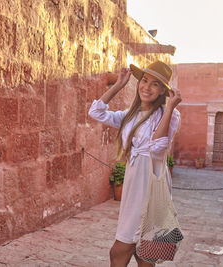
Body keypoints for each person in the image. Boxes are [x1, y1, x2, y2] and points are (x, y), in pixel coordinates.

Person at [88, 61, 182, 267]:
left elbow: (157, 148)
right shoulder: (128, 115)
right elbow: (96, 113)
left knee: (122, 251)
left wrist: (169, 108)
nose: (146, 87)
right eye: (144, 81)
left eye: (155, 84)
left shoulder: (170, 115)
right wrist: (119, 84)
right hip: (134, 181)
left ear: (162, 92)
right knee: (143, 254)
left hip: (150, 182)